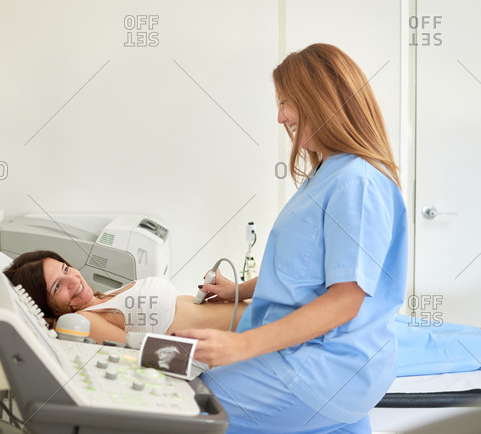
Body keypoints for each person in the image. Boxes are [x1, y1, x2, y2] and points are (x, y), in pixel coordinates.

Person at [173, 43, 408, 433]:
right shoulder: (329, 173)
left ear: (322, 98)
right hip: (320, 366)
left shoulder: (357, 182)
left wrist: (239, 346)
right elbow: (304, 268)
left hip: (321, 367)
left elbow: (344, 301)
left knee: (183, 409)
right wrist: (240, 291)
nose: (280, 116)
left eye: (286, 102)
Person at [3, 250, 248, 345]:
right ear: (46, 307)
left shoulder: (103, 297)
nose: (73, 280)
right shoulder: (86, 321)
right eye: (58, 286)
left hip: (251, 315)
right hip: (245, 335)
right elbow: (141, 355)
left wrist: (236, 292)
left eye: (66, 269)